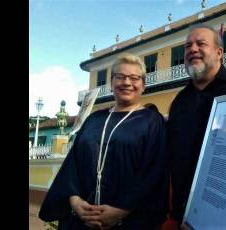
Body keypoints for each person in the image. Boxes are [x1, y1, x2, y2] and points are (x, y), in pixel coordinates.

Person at [39, 54, 169, 229]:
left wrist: (120, 211)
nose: (127, 82)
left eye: (134, 78)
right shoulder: (94, 119)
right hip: (80, 221)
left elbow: (153, 172)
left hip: (129, 221)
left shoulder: (152, 121)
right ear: (111, 83)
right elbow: (72, 165)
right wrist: (75, 201)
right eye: (120, 77)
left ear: (143, 85)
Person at [167, 24, 226, 228]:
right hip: (186, 216)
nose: (192, 49)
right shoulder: (179, 102)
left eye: (201, 44)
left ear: (219, 52)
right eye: (187, 46)